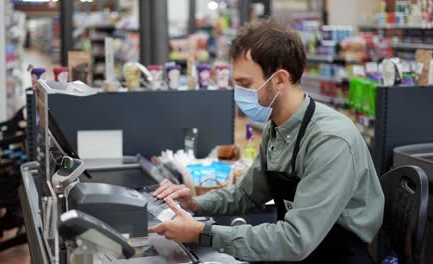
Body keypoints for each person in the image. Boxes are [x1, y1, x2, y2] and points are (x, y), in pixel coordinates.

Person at [148, 18, 385, 263]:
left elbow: (295, 240)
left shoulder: (330, 140)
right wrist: (194, 204)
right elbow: (247, 195)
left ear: (280, 80)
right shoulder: (276, 125)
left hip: (335, 255)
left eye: (245, 84)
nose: (238, 93)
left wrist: (203, 233)